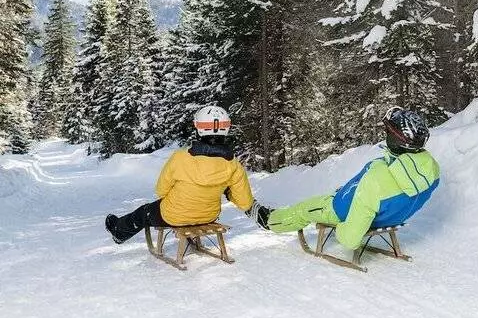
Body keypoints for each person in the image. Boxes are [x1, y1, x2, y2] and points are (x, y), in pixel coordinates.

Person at [247, 107, 440, 250]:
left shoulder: (376, 179)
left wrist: (341, 226)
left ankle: (269, 220)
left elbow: (349, 240)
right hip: (391, 216)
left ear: (397, 139)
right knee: (365, 174)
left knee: (304, 210)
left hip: (340, 210)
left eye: (388, 132)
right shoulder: (431, 171)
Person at [104, 106, 254, 244]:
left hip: (173, 215)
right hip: (209, 216)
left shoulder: (180, 157)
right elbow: (245, 202)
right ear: (226, 129)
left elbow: (161, 190)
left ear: (198, 128)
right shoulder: (234, 165)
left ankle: (118, 232)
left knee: (144, 212)